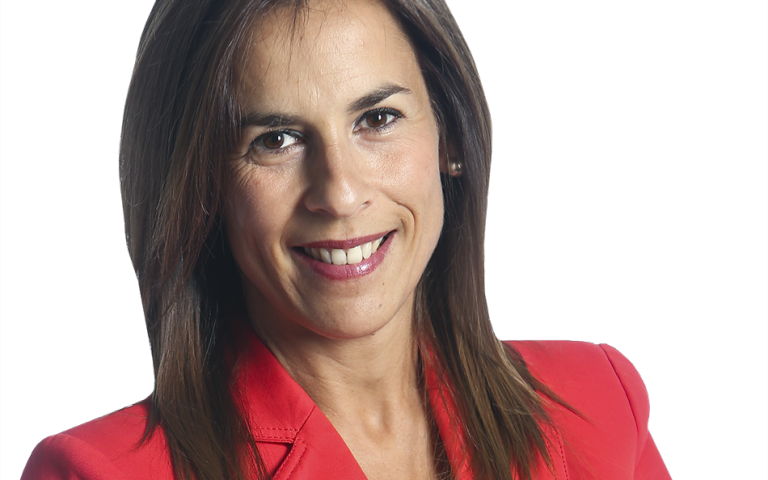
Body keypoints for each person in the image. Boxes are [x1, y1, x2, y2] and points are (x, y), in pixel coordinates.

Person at [22, 0, 671, 479]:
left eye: (377, 118)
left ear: (448, 136)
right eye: (276, 140)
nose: (339, 193)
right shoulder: (94, 472)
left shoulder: (599, 403)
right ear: (202, 188)